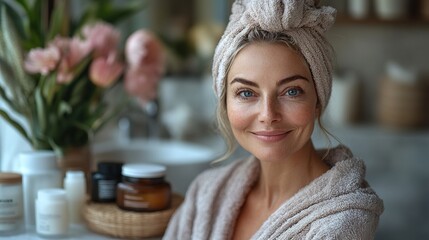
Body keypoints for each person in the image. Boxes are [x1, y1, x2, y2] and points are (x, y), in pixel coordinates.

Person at [163, 0, 384, 239]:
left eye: (291, 91)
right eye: (246, 93)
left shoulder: (341, 223)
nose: (268, 115)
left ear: (318, 100)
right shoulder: (206, 193)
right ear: (225, 102)